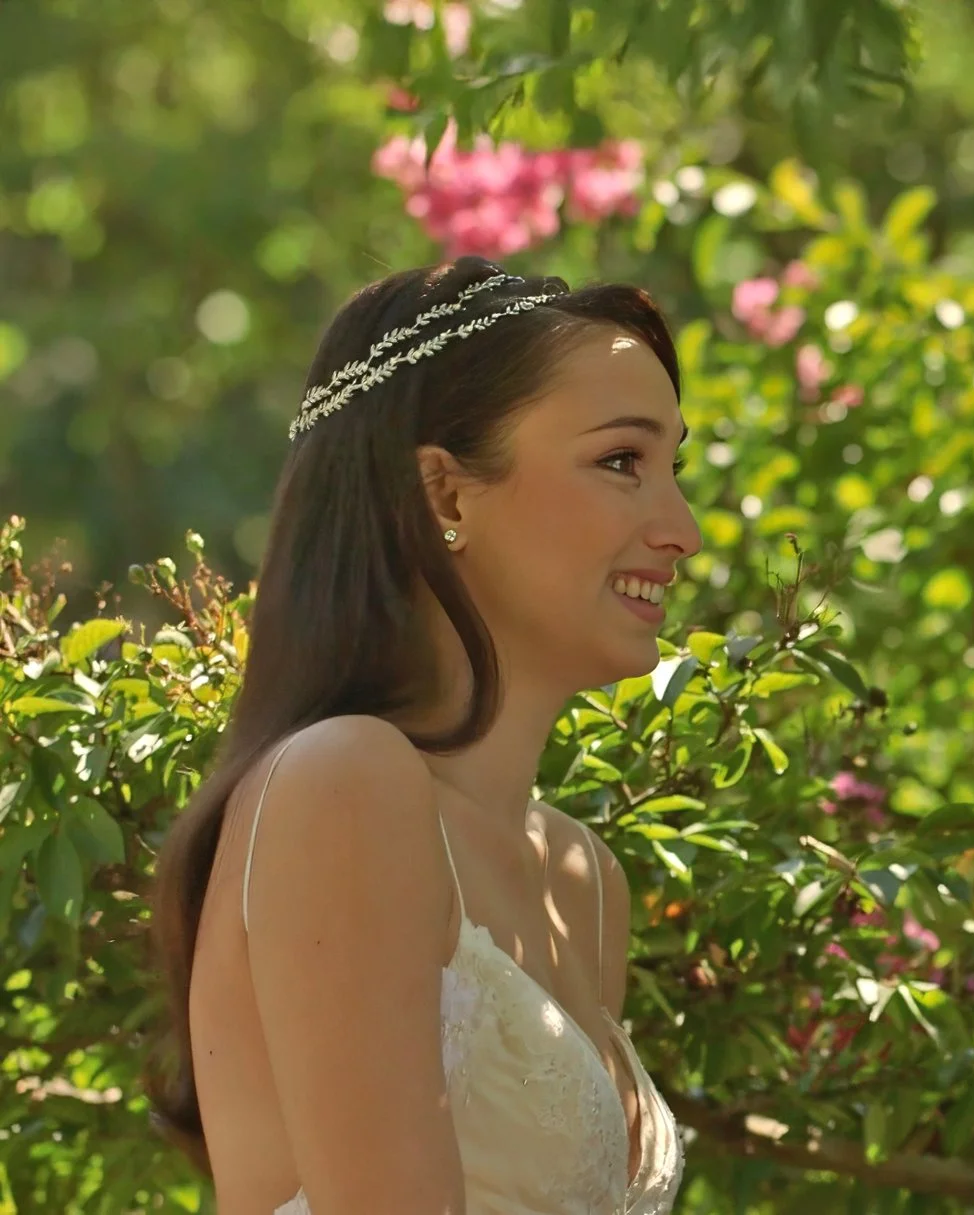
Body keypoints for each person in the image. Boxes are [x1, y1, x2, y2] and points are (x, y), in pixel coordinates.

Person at [149, 259, 696, 1213]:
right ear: (444, 495)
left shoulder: (582, 879)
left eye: (675, 469)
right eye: (621, 462)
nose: (682, 528)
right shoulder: (342, 782)